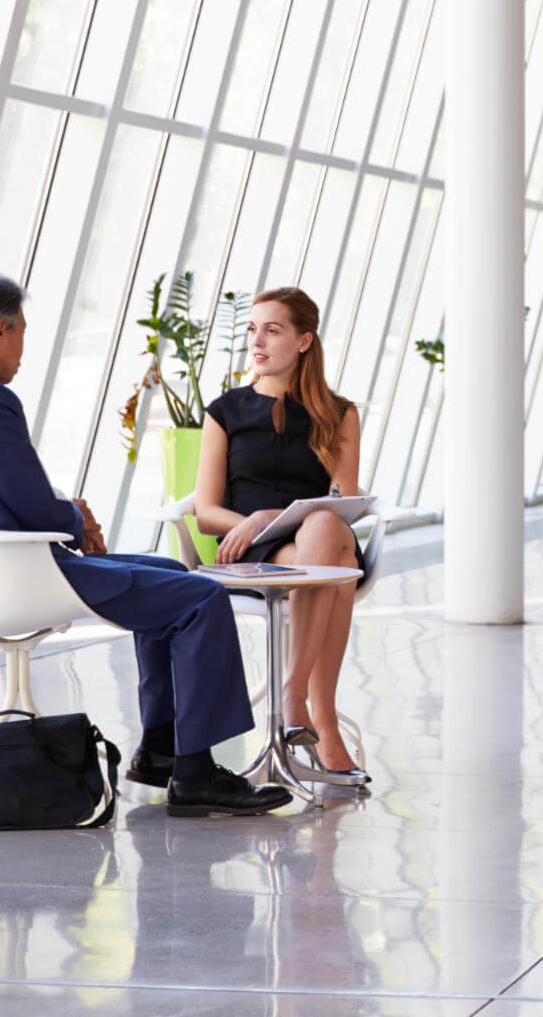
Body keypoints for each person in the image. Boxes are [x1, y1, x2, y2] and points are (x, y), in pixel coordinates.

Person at [0, 272, 289, 817]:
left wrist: (65, 518)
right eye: (22, 334)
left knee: (170, 574)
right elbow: (35, 510)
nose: (22, 351)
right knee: (199, 597)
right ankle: (196, 772)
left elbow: (6, 497)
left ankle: (159, 750)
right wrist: (77, 518)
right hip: (11, 572)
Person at [194, 288, 366, 778]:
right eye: (253, 329)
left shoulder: (340, 413)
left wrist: (268, 513)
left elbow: (341, 500)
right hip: (247, 549)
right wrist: (252, 523)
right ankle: (320, 719)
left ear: (304, 340)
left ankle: (296, 697)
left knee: (326, 527)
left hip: (312, 539)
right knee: (334, 562)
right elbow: (207, 512)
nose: (257, 341)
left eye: (272, 330)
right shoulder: (224, 411)